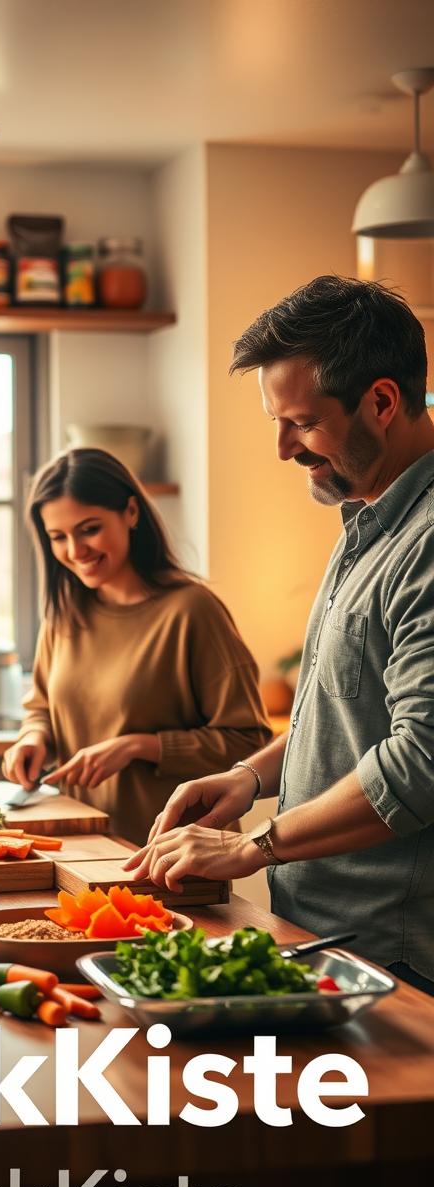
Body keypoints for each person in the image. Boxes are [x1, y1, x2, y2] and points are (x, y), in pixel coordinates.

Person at [124, 275, 434, 992]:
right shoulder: (367, 519)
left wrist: (259, 845)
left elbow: (420, 764)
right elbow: (349, 716)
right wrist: (251, 777)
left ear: (382, 402)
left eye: (300, 421)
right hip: (334, 937)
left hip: (401, 958)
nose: (283, 448)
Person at [2, 447, 271, 844]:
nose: (76, 552)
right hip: (85, 848)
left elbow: (249, 740)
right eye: (58, 537)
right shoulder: (65, 614)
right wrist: (34, 739)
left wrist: (139, 747)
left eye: (89, 529)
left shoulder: (192, 611)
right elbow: (42, 706)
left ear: (130, 512)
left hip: (177, 853)